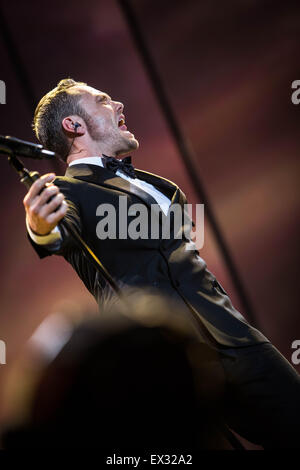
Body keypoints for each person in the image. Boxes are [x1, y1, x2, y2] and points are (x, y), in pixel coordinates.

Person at [23, 78, 300, 448]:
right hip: (159, 366)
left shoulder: (163, 187)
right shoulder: (66, 191)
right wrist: (40, 226)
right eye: (103, 100)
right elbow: (58, 230)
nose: (119, 103)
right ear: (74, 125)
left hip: (233, 339)